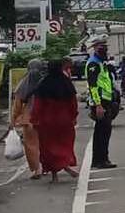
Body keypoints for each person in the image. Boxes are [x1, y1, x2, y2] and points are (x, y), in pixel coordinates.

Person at [30, 56, 79, 182]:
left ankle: (54, 174)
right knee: (65, 144)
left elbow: (38, 105)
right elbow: (73, 103)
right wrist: (74, 116)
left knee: (48, 148)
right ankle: (65, 165)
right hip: (64, 120)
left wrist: (35, 119)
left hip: (47, 122)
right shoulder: (66, 83)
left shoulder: (43, 84)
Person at [86, 36, 118, 169]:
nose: (104, 49)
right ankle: (100, 160)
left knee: (104, 131)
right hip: (100, 102)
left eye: (105, 47)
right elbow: (93, 85)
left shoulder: (102, 63)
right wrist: (98, 105)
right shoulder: (93, 63)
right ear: (95, 48)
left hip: (106, 100)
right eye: (101, 47)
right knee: (102, 133)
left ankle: (101, 159)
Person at [9, 59, 45, 179]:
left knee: (31, 145)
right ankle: (46, 166)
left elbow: (17, 106)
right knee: (44, 143)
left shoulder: (23, 85)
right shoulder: (45, 82)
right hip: (45, 119)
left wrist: (13, 120)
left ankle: (37, 169)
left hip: (28, 120)